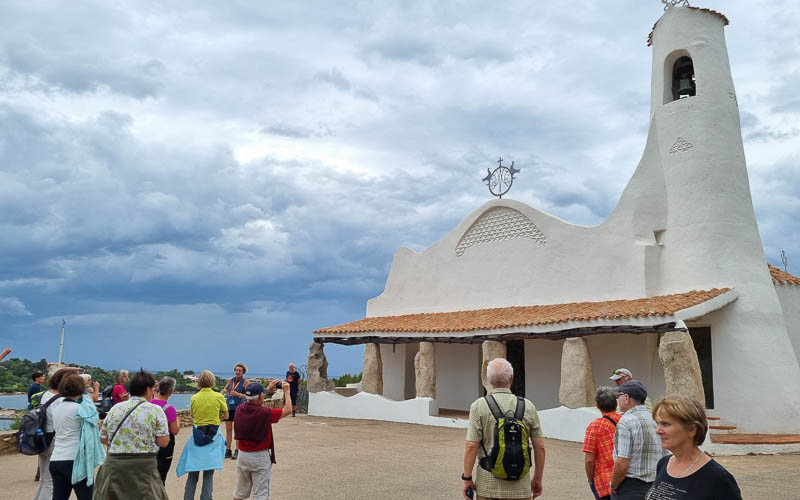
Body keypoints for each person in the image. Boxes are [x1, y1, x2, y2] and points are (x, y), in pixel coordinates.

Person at [462, 358, 546, 500]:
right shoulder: (528, 406)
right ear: (512, 379)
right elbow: (540, 446)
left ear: (488, 379)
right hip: (521, 488)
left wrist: (467, 478)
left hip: (488, 487)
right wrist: (537, 479)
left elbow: (471, 445)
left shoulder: (479, 406)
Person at [94, 369, 170, 500]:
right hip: (143, 468)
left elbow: (103, 439)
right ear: (147, 389)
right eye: (153, 389)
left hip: (114, 468)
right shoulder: (155, 410)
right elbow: (163, 442)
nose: (153, 392)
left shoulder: (115, 408)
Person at [645, 397, 742, 499]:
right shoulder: (663, 464)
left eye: (665, 424)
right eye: (658, 423)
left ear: (691, 429)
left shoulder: (717, 477)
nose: (658, 430)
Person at [232, 380, 292, 500]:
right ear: (260, 396)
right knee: (260, 494)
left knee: (239, 493)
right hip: (259, 457)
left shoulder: (239, 409)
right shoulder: (264, 413)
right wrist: (287, 392)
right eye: (263, 394)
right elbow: (288, 410)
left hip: (243, 455)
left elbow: (253, 402)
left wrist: (265, 391)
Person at [178, 369, 228, 500]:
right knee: (208, 472)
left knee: (193, 473)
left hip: (197, 435)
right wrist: (216, 418)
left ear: (199, 382)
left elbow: (193, 415)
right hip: (213, 435)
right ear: (212, 381)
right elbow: (226, 414)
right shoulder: (219, 396)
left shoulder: (194, 398)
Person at [610, 380, 663, 499]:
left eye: (619, 396)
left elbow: (622, 462)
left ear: (626, 397)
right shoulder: (656, 420)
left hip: (631, 486)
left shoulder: (626, 421)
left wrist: (613, 485)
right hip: (655, 484)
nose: (617, 400)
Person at [33, 367, 77, 500]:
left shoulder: (46, 395)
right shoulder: (60, 400)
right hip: (54, 441)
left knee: (44, 480)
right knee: (50, 482)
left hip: (42, 438)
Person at [49, 373, 93, 500]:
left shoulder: (57, 409)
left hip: (57, 458)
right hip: (75, 459)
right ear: (80, 390)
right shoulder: (79, 409)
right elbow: (93, 424)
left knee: (59, 497)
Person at [584, 387, 622, 500]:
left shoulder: (595, 426)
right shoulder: (625, 421)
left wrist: (590, 479)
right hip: (624, 478)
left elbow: (589, 459)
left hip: (604, 481)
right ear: (616, 404)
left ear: (597, 405)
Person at [150, 376, 181, 484]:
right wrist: (177, 421)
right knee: (161, 475)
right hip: (165, 444)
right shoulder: (169, 409)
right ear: (171, 391)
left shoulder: (150, 403)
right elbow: (175, 430)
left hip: (150, 441)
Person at [222, 362, 249, 458]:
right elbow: (225, 390)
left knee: (237, 431)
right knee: (228, 430)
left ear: (243, 372)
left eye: (240, 370)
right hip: (229, 407)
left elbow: (248, 396)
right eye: (236, 370)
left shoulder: (246, 382)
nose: (237, 372)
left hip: (239, 408)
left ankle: (237, 450)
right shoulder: (230, 380)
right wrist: (223, 391)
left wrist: (238, 394)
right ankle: (228, 450)